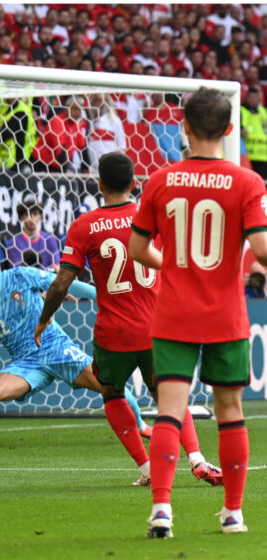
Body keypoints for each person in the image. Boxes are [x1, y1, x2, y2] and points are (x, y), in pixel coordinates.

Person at [36, 151, 223, 488]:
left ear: (99, 184)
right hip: (158, 328)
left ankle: (147, 467)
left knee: (111, 392)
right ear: (135, 183)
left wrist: (44, 319)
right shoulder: (153, 216)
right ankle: (196, 459)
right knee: (170, 395)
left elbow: (61, 283)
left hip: (114, 333)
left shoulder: (84, 226)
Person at [129, 87, 267, 538]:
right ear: (229, 130)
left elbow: (137, 248)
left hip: (174, 313)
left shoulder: (160, 179)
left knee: (170, 408)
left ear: (183, 127)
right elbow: (262, 250)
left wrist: (174, 266)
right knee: (230, 410)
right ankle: (232, 513)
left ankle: (163, 510)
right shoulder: (248, 182)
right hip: (226, 314)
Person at [0, 248, 151, 450]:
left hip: (57, 348)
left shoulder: (21, 276)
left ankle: (141, 426)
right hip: (25, 363)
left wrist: (105, 297)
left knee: (110, 387)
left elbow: (65, 284)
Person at [6, 197, 62, 269]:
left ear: (40, 217)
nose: (31, 218)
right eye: (27, 214)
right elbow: (16, 272)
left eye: (35, 214)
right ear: (21, 218)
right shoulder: (14, 243)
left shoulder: (49, 239)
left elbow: (56, 268)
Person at [240, 86, 267, 182]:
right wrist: (241, 130)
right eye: (250, 97)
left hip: (263, 156)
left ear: (259, 98)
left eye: (255, 97)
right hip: (247, 157)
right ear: (246, 97)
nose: (253, 100)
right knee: (248, 182)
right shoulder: (241, 111)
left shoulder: (264, 112)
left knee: (263, 184)